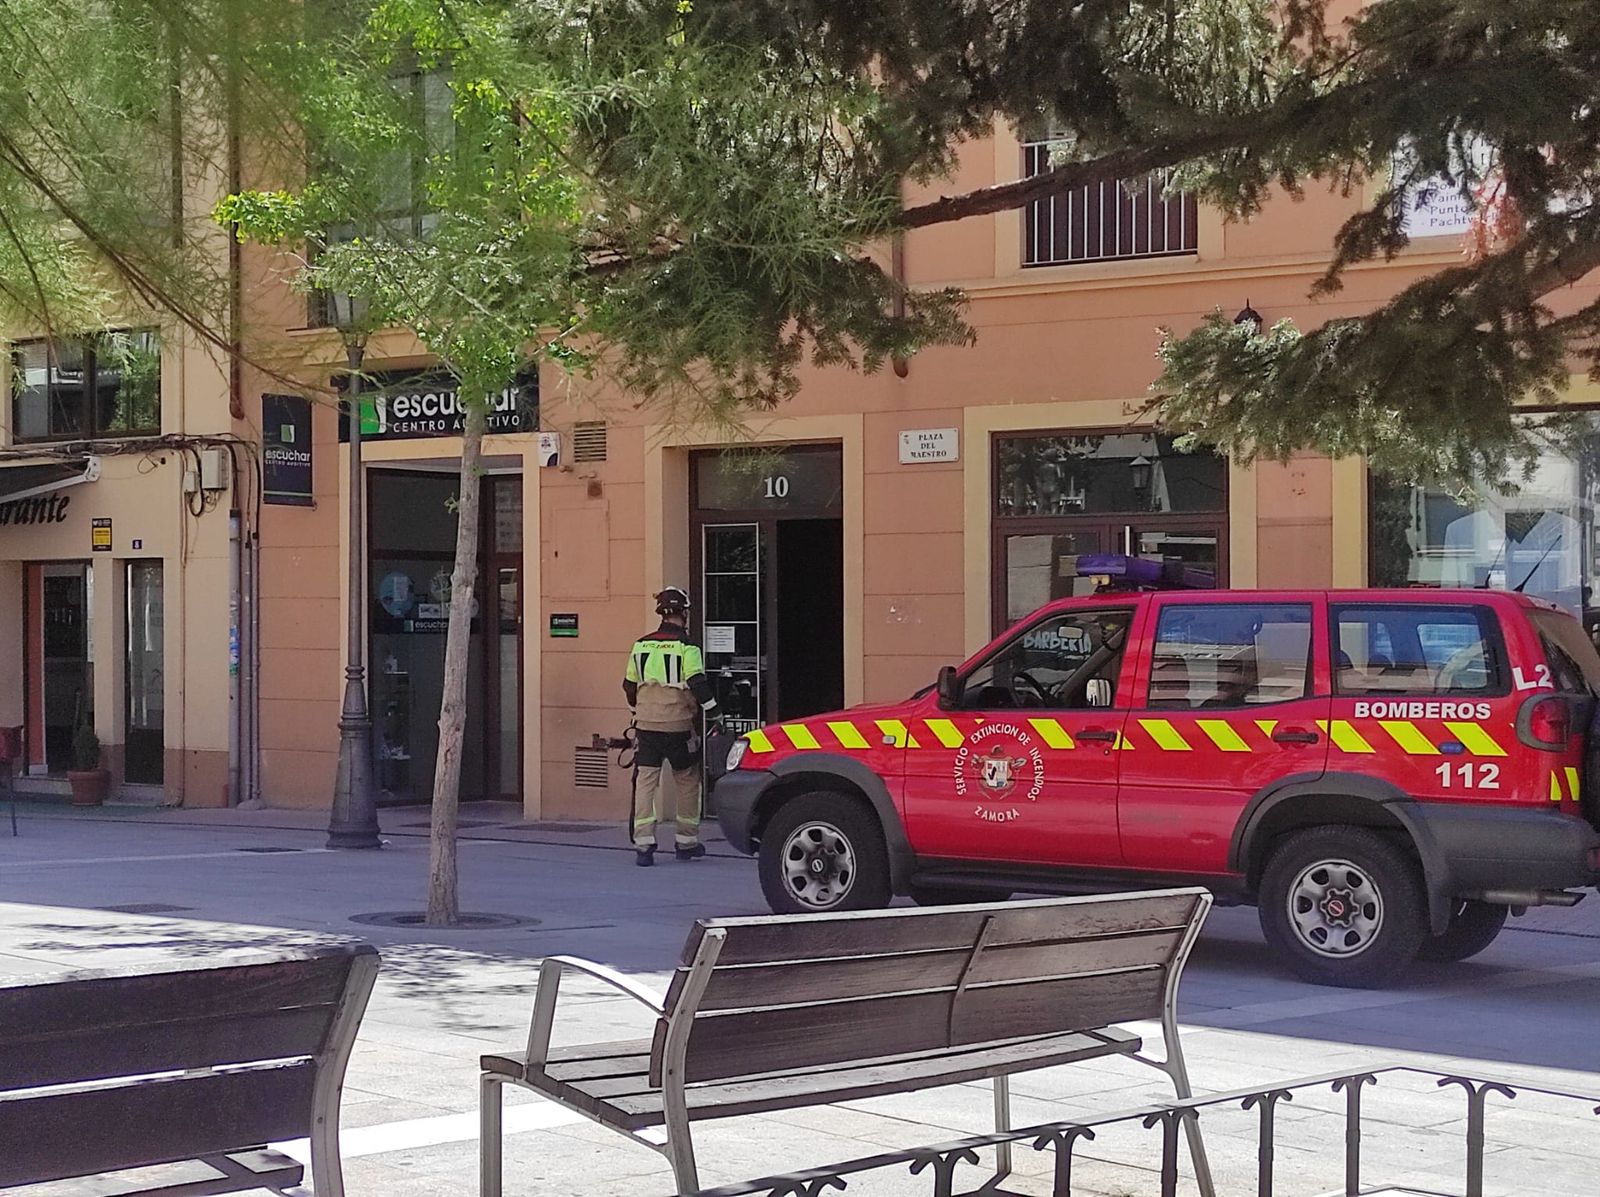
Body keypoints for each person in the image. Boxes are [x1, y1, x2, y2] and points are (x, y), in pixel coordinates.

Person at [623, 587, 721, 866]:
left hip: (646, 726)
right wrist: (715, 714)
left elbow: (628, 685)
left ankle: (643, 845)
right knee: (688, 780)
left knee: (646, 782)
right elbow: (697, 684)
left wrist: (637, 711)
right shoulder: (687, 647)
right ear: (684, 613)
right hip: (678, 726)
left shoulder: (640, 645)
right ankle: (686, 842)